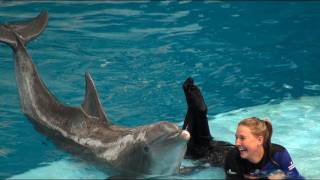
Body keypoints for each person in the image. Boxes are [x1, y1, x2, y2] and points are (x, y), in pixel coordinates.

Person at [224, 117, 304, 179]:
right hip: (221, 156)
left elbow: (296, 177)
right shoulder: (232, 158)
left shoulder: (279, 154)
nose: (236, 143)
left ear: (259, 140)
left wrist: (284, 176)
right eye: (236, 137)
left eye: (242, 138)